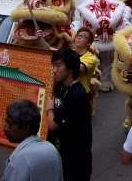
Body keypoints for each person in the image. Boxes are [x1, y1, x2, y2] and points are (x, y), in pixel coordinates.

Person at [46, 48, 92, 181]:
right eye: (53, 66)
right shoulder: (59, 87)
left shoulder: (77, 95)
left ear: (70, 68)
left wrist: (49, 110)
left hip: (77, 159)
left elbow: (54, 125)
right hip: (62, 153)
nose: (54, 70)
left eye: (58, 65)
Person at [3, 100, 63, 181]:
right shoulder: (52, 149)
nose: (5, 127)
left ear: (25, 128)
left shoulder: (20, 160)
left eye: (9, 123)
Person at [73, 27, 98, 95]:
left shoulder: (91, 58)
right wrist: (40, 38)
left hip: (80, 94)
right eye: (78, 35)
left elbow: (78, 69)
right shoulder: (69, 52)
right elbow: (49, 51)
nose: (79, 37)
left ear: (88, 43)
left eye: (83, 36)